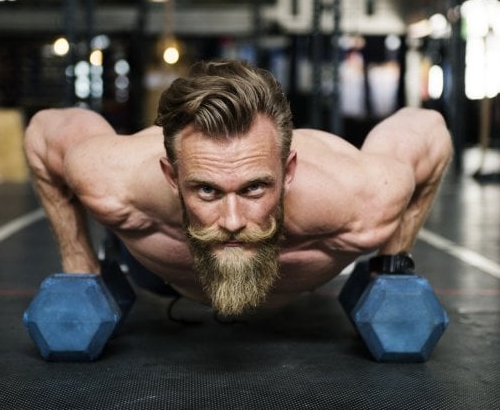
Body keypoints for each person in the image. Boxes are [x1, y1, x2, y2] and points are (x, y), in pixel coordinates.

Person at [24, 59, 452, 317]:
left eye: (254, 189)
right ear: (172, 178)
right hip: (156, 274)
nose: (232, 222)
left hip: (300, 284)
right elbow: (45, 131)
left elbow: (428, 129)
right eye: (207, 191)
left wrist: (391, 264)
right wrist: (79, 267)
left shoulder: (362, 197)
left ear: (288, 173)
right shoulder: (114, 180)